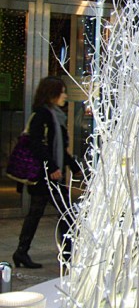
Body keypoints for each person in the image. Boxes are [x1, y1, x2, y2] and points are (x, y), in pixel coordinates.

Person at [13, 76, 79, 269]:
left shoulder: (54, 114)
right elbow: (37, 144)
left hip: (47, 175)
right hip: (45, 176)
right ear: (52, 94)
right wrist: (52, 167)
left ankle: (21, 252)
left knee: (36, 213)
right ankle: (67, 256)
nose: (65, 95)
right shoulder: (43, 115)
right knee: (67, 214)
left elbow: (58, 147)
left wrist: (73, 167)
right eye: (62, 91)